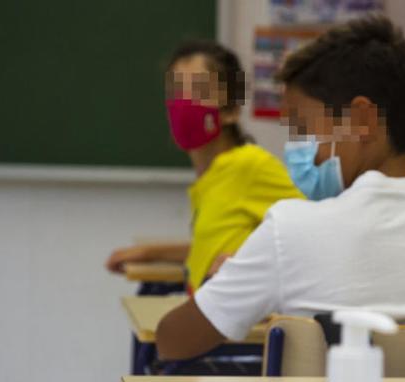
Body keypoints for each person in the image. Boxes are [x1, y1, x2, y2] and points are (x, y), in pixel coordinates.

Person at [155, 16, 405, 359]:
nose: (304, 153)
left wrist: (234, 284)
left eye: (306, 129)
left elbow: (172, 341)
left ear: (363, 120)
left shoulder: (289, 231)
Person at [105, 40, 304, 292]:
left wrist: (254, 266)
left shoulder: (248, 166)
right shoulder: (213, 174)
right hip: (202, 304)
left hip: (229, 324)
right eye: (176, 91)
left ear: (230, 110)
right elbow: (209, 250)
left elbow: (314, 230)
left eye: (198, 91)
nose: (183, 104)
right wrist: (148, 252)